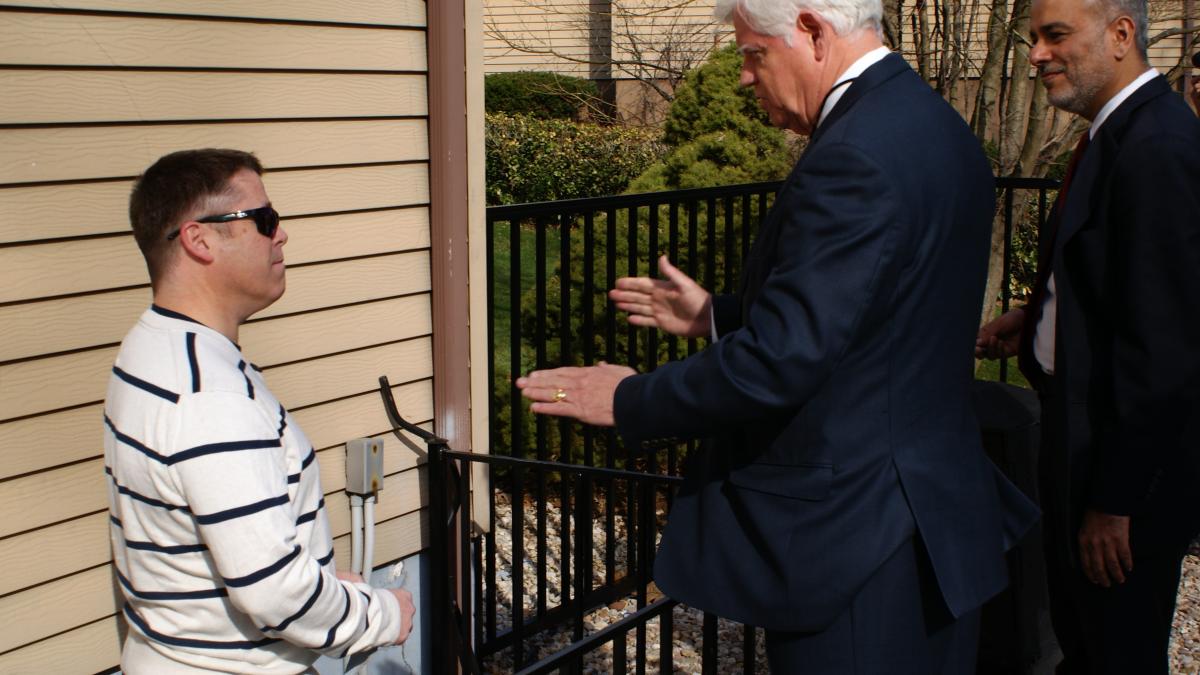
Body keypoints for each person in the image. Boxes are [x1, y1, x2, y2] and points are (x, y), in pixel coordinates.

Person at [518, 0, 1037, 671]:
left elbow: (782, 361)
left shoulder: (853, 156)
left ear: (813, 32)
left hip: (858, 544)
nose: (743, 76)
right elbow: (872, 321)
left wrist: (627, 398)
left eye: (753, 52)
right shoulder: (936, 126)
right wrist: (718, 316)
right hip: (931, 522)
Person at [104, 149, 414, 673]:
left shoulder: (152, 347)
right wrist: (383, 614)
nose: (281, 234)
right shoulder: (210, 400)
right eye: (264, 220)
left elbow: (229, 544)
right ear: (198, 239)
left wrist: (323, 581)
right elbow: (275, 595)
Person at [975, 0, 1200, 670]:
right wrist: (1041, 315)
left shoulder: (1157, 147)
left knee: (1114, 651)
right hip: (1080, 437)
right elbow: (1115, 279)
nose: (1037, 53)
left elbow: (1165, 348)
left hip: (1118, 473)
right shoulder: (1115, 133)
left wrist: (1114, 502)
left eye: (1055, 35)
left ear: (1122, 35)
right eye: (1033, 38)